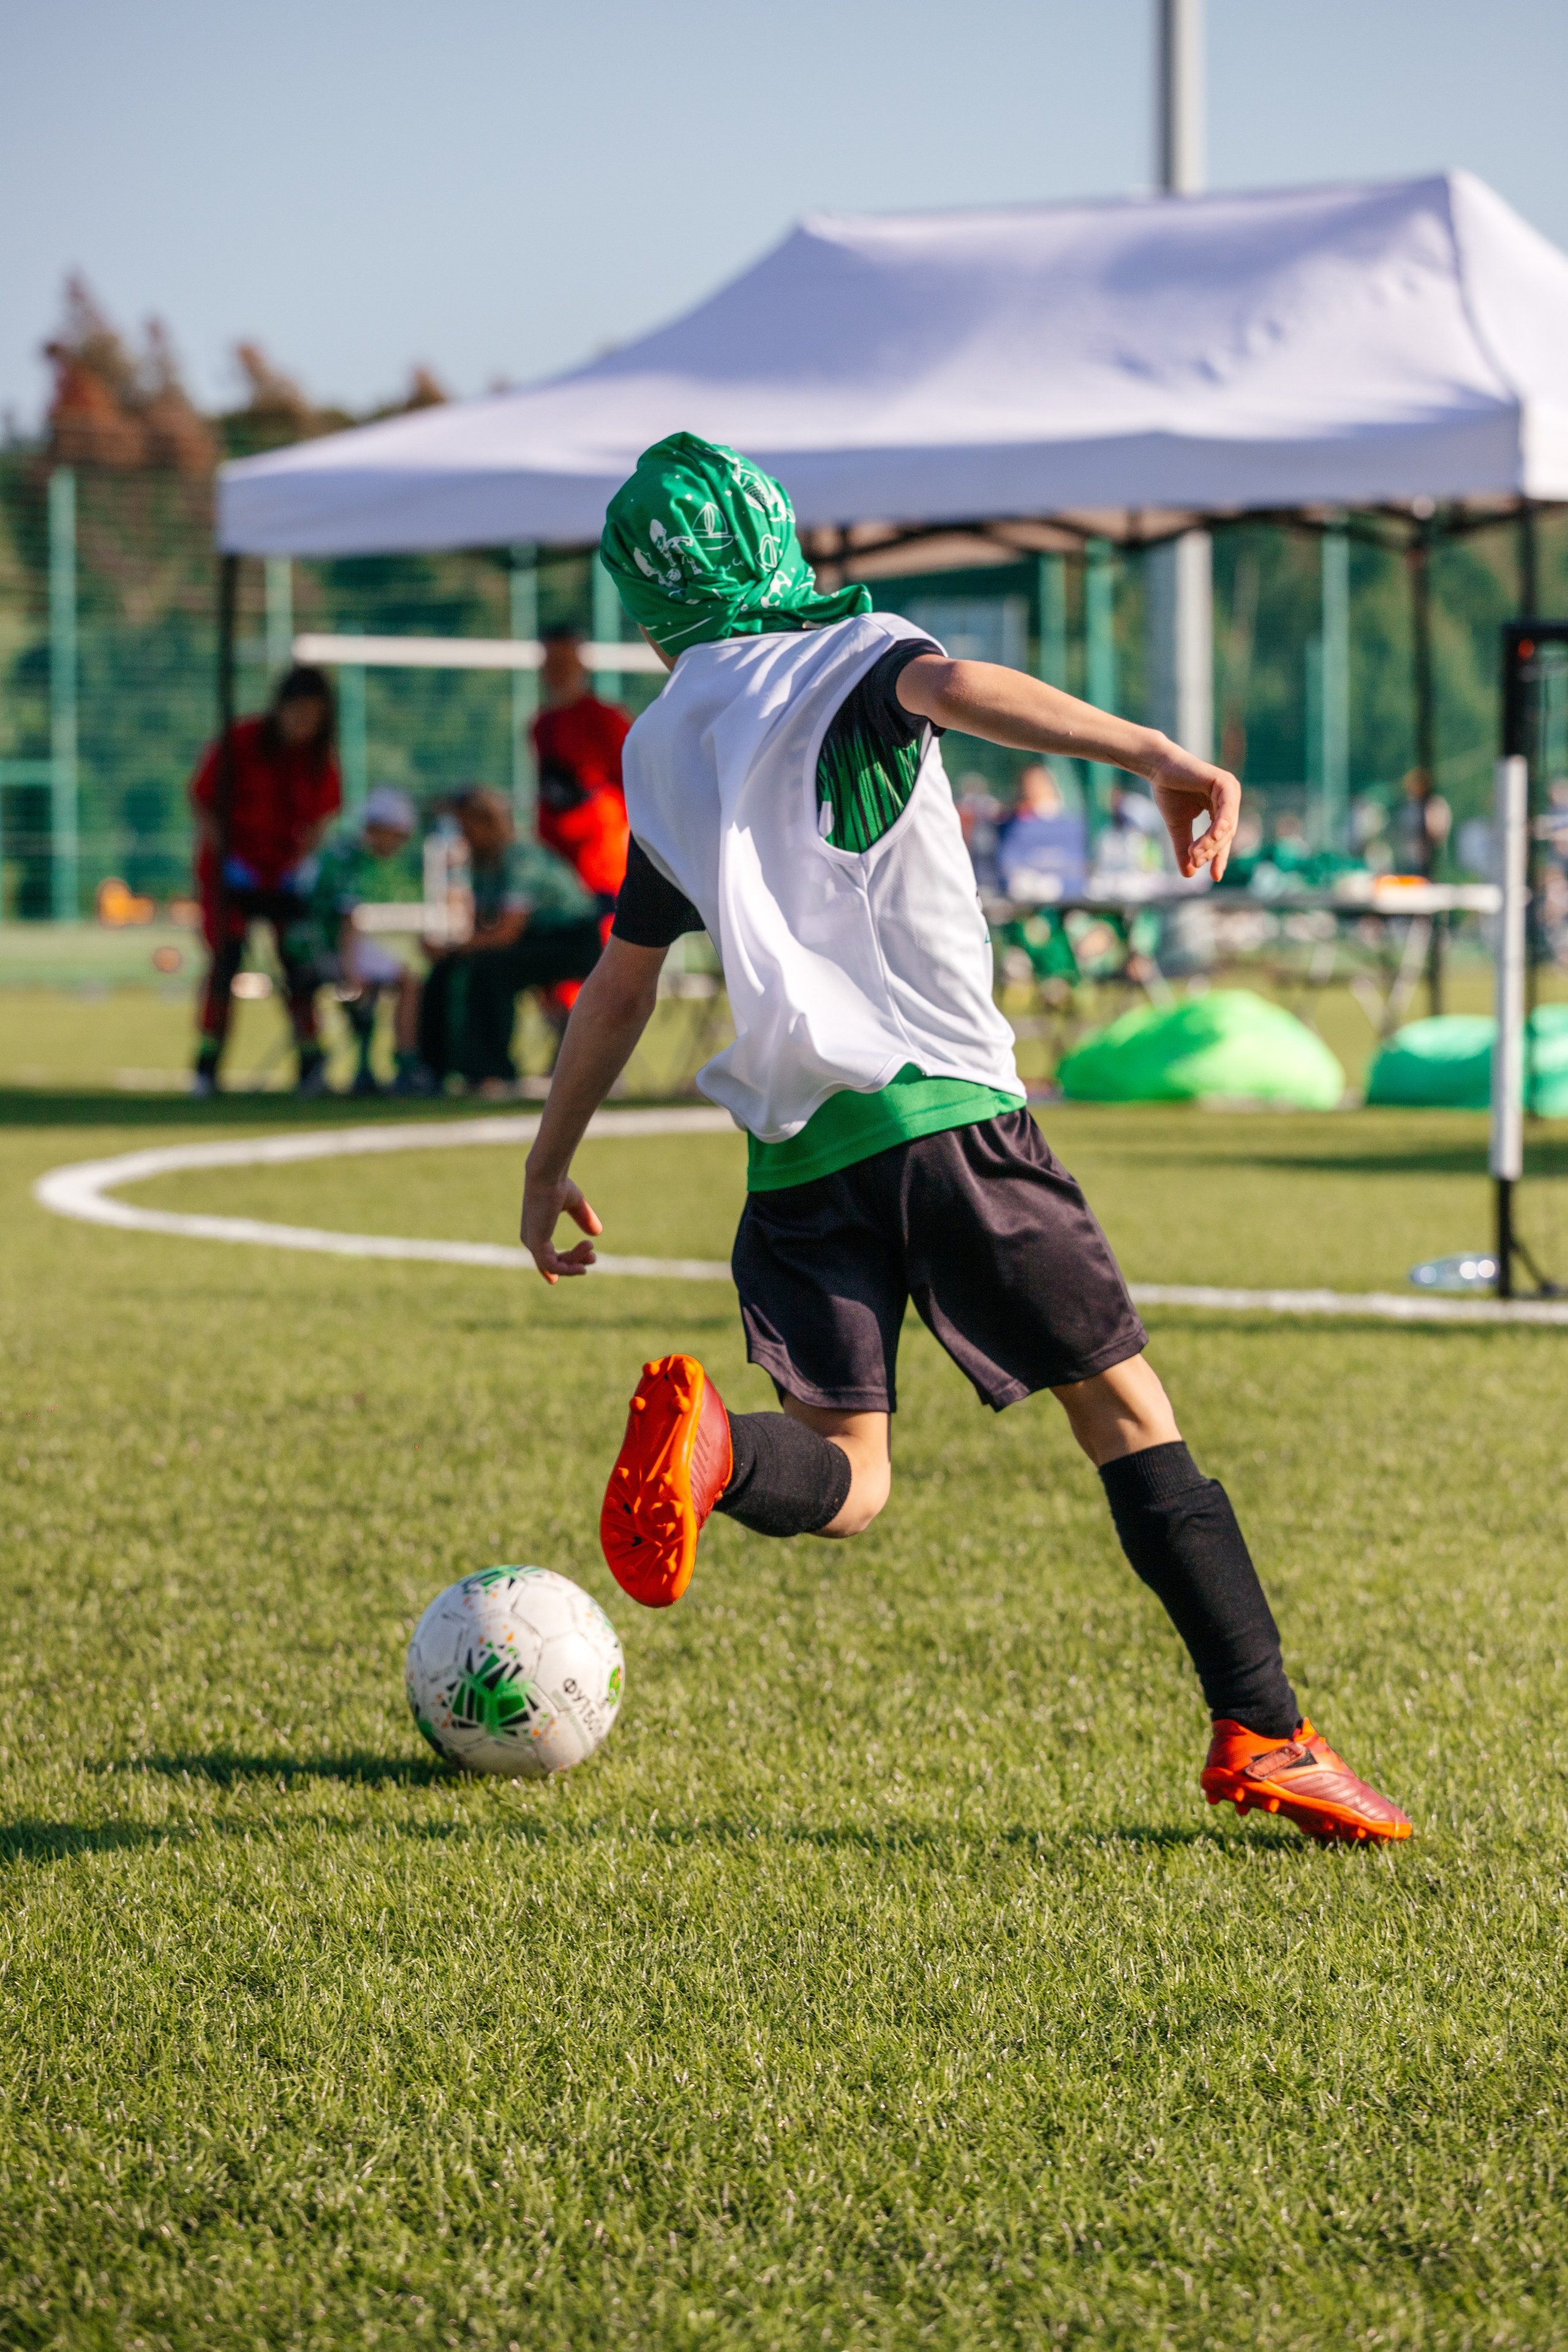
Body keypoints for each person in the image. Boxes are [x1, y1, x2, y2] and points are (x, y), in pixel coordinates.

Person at [520, 432, 1412, 1849]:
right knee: (1125, 1415)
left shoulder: (663, 744)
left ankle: (719, 1453)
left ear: (647, 595)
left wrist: (546, 1158)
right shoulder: (858, 650)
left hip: (796, 1158)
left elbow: (621, 980)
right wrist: (1154, 752)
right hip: (947, 1119)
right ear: (771, 534)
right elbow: (960, 688)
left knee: (850, 1476)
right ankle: (1265, 1728)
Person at [189, 664, 341, 1095]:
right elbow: (203, 801)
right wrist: (229, 860)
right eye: (298, 714)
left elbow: (320, 820)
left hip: (283, 878)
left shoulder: (319, 760)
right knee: (226, 963)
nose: (304, 725)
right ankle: (207, 1064)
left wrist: (299, 867)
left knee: (298, 964)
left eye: (313, 717)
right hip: (231, 875)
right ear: (280, 708)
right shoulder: (241, 742)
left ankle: (310, 1060)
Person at [417, 786, 604, 1092]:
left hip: (571, 940)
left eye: (466, 827)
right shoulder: (482, 863)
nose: (462, 836)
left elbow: (507, 932)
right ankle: (433, 1069)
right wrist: (452, 952)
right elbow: (482, 929)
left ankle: (493, 1071)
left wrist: (454, 948)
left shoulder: (521, 858)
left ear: (486, 824)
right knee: (447, 969)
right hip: (532, 941)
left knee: (491, 971)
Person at [306, 786, 424, 1095]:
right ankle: (375, 1064)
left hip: (378, 950)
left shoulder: (398, 867)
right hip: (331, 949)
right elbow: (348, 921)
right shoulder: (348, 862)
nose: (394, 842)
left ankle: (400, 1062)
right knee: (397, 979)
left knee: (413, 974)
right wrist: (351, 969)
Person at [531, 628, 633, 912]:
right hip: (557, 853)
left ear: (581, 665)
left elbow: (633, 781)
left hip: (599, 855)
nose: (558, 671)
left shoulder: (606, 719)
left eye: (565, 661)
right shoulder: (542, 724)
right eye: (552, 662)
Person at [997, 762, 1088, 902]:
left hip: (1070, 899)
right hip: (1026, 898)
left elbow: (1078, 866)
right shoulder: (1015, 825)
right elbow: (1009, 863)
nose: (1034, 789)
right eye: (1029, 785)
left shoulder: (1072, 824)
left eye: (1040, 783)